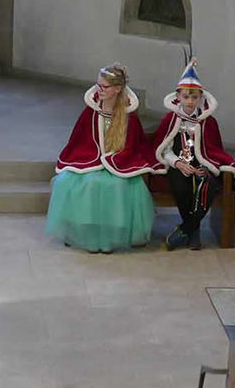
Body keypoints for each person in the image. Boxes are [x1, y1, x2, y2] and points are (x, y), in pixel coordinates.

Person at [45, 63, 158, 253]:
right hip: (90, 161)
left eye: (104, 87)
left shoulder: (129, 117)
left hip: (119, 164)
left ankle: (108, 237)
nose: (100, 90)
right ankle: (83, 233)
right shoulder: (91, 111)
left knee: (114, 186)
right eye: (98, 85)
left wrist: (112, 161)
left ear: (117, 89)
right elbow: (79, 141)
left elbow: (131, 146)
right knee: (80, 183)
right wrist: (95, 160)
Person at [152, 59, 235, 251]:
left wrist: (204, 167)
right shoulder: (171, 118)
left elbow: (213, 149)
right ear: (178, 97)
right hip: (178, 164)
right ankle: (194, 230)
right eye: (186, 97)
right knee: (181, 187)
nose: (190, 101)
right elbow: (164, 148)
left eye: (194, 97)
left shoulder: (208, 121)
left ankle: (187, 228)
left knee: (209, 184)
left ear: (200, 98)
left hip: (201, 163)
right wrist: (178, 163)